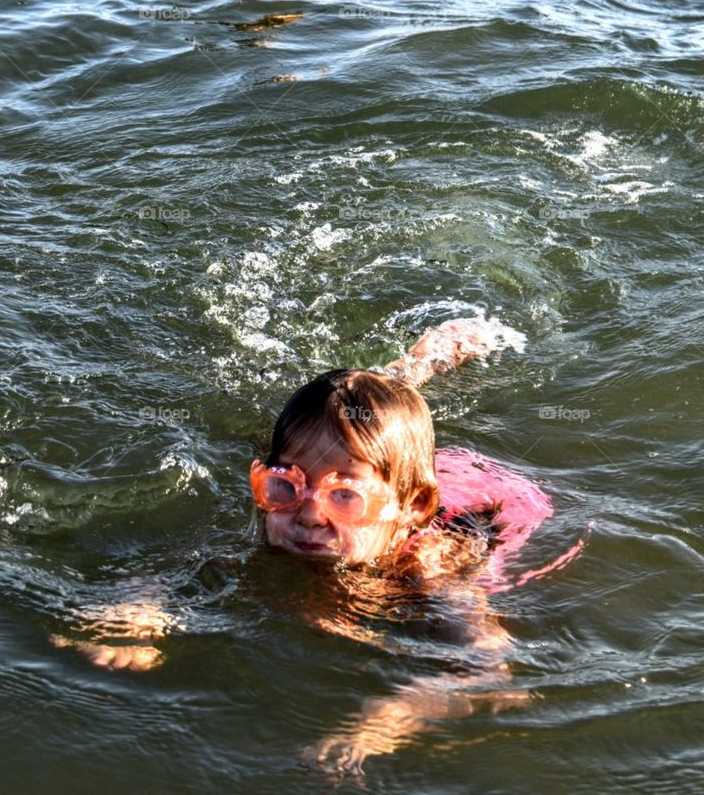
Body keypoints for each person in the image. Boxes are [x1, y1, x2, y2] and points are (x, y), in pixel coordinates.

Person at [52, 316, 585, 777]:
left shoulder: (429, 573)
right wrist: (135, 612)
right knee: (354, 426)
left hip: (476, 497)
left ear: (412, 508)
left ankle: (417, 372)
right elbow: (171, 570)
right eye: (285, 486)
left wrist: (381, 724)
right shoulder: (275, 524)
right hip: (386, 480)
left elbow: (489, 671)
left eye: (343, 498)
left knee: (372, 440)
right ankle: (407, 376)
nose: (308, 513)